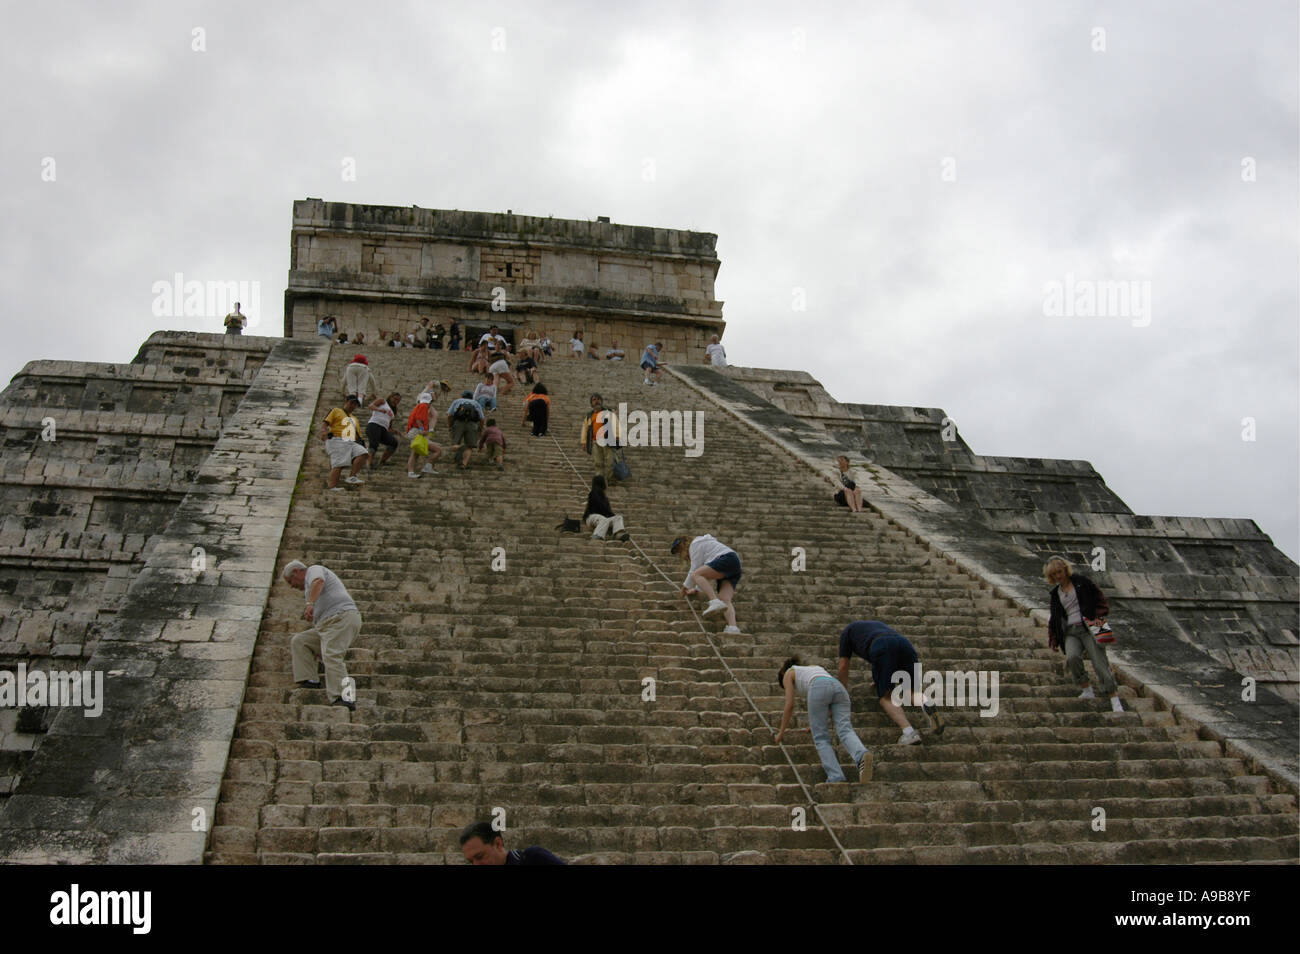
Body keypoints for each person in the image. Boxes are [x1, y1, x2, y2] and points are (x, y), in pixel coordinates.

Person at [837, 620, 945, 744]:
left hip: (882, 646)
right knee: (910, 691)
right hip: (905, 644)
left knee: (886, 696)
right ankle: (926, 702)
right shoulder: (875, 626)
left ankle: (909, 733)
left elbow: (843, 666)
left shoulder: (847, 632)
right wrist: (879, 679)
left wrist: (840, 693)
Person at [774, 655, 872, 783]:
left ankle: (835, 775)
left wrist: (781, 732)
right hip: (838, 687)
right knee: (845, 729)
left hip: (818, 687)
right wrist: (815, 722)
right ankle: (861, 755)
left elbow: (790, 705)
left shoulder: (788, 674)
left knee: (820, 737)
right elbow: (828, 696)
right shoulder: (813, 668)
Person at [1045, 556, 1123, 712]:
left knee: (1100, 663)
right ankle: (1086, 688)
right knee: (1072, 658)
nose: (1058, 576)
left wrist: (1099, 614)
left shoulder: (1082, 582)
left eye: (1059, 572)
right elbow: (1055, 618)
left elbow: (1099, 597)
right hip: (1070, 631)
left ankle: (1114, 697)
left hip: (1090, 625)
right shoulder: (1055, 593)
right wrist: (1053, 638)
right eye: (1054, 575)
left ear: (1065, 570)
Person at [281, 560, 361, 710]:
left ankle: (345, 697)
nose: (292, 586)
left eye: (290, 581)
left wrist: (310, 604)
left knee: (332, 655)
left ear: (297, 572)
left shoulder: (314, 570)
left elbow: (319, 581)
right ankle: (310, 679)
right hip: (328, 626)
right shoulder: (308, 589)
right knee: (301, 641)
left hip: (341, 617)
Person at [672, 534, 742, 635]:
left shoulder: (695, 544)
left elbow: (695, 569)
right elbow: (706, 573)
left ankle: (714, 601)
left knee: (695, 574)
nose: (680, 555)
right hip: (735, 564)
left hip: (726, 559)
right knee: (725, 598)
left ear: (683, 545)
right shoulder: (705, 545)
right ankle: (733, 627)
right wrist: (696, 589)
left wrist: (685, 587)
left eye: (679, 551)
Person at [458, 821, 566, 865]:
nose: (476, 864)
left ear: (498, 844)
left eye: (480, 856)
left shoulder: (533, 858)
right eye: (471, 862)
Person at [321, 396, 370, 490]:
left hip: (351, 441)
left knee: (363, 453)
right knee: (339, 464)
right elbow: (326, 422)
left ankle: (352, 476)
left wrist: (362, 444)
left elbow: (358, 434)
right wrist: (323, 431)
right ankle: (332, 486)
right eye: (351, 403)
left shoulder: (354, 418)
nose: (353, 406)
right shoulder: (336, 411)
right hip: (337, 439)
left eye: (355, 404)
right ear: (346, 402)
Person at [579, 393, 621, 485]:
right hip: (595, 442)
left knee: (610, 461)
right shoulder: (589, 416)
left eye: (598, 399)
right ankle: (600, 479)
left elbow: (616, 423)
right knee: (598, 462)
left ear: (601, 401)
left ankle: (611, 479)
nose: (596, 401)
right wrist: (583, 441)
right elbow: (585, 429)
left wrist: (617, 435)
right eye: (594, 400)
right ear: (591, 403)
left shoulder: (609, 412)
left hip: (608, 440)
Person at [405, 385, 445, 478]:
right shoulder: (423, 406)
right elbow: (418, 419)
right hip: (417, 432)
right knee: (436, 450)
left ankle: (413, 471)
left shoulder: (419, 405)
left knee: (415, 453)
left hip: (414, 431)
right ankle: (424, 467)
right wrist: (422, 430)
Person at [447, 390, 485, 469]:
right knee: (470, 446)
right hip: (472, 424)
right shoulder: (476, 403)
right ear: (472, 397)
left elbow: (449, 415)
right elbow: (482, 419)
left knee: (455, 443)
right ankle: (464, 464)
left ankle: (458, 455)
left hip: (458, 423)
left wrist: (450, 426)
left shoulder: (457, 401)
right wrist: (480, 429)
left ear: (462, 396)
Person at [584, 474, 628, 541]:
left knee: (618, 517)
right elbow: (601, 507)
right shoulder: (593, 493)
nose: (606, 483)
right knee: (604, 519)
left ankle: (618, 533)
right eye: (605, 481)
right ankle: (597, 535)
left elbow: (608, 512)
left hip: (602, 519)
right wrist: (610, 514)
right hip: (592, 517)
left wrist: (613, 517)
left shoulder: (604, 497)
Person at [365, 392, 401, 469]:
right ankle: (369, 462)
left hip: (383, 429)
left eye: (398, 401)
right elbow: (371, 406)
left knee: (394, 443)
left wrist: (395, 431)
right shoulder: (382, 401)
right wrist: (379, 410)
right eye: (395, 399)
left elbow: (389, 427)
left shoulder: (394, 411)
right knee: (374, 443)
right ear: (390, 397)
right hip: (374, 424)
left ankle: (382, 461)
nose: (396, 401)